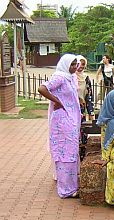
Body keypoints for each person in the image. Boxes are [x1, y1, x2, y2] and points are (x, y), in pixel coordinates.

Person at [38, 54, 81, 198]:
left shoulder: (70, 77)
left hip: (71, 118)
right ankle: (65, 189)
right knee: (65, 153)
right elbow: (42, 88)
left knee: (72, 151)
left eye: (76, 64)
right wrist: (56, 100)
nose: (75, 67)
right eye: (72, 64)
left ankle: (72, 186)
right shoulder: (60, 77)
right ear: (65, 64)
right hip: (63, 120)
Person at [76, 55, 95, 122]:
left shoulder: (86, 78)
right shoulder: (70, 77)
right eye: (79, 64)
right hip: (70, 109)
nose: (81, 66)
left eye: (83, 64)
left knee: (81, 129)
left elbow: (89, 96)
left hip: (82, 109)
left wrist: (91, 112)